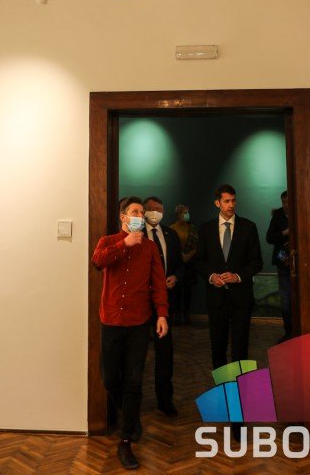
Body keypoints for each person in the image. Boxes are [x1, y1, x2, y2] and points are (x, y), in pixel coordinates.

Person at [92, 196, 168, 470]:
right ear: (123, 217)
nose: (140, 215)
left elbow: (158, 283)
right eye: (135, 212)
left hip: (139, 322)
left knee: (134, 381)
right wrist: (124, 244)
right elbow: (97, 261)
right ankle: (131, 417)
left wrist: (162, 314)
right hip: (111, 320)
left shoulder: (150, 247)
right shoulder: (108, 241)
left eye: (141, 212)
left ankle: (125, 440)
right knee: (110, 378)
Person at [196, 183, 263, 370]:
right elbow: (199, 261)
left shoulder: (248, 227)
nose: (231, 205)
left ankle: (241, 383)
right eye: (226, 201)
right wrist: (211, 276)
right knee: (217, 345)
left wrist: (237, 276)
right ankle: (222, 384)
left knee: (241, 346)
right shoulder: (206, 229)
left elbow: (256, 262)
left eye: (233, 200)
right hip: (216, 297)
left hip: (241, 297)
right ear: (217, 203)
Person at [143, 196, 183, 416]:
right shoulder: (136, 234)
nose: (155, 212)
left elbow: (181, 265)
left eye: (158, 209)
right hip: (140, 302)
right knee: (138, 352)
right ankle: (133, 399)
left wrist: (175, 276)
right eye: (150, 208)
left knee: (165, 352)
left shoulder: (171, 234)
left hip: (165, 302)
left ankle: (165, 399)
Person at [266, 190, 292, 342]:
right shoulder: (277, 215)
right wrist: (284, 233)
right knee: (285, 299)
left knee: (299, 298)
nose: (286, 205)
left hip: (300, 263)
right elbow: (269, 238)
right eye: (284, 202)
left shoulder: (300, 212)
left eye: (288, 201)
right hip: (283, 263)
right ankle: (288, 332)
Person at [170, 204, 198, 325]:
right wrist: (180, 256)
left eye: (188, 212)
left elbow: (196, 245)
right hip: (177, 263)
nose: (187, 215)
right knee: (176, 291)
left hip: (189, 264)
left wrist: (189, 255)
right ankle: (176, 315)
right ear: (178, 214)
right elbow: (171, 245)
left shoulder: (192, 228)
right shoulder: (172, 228)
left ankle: (187, 315)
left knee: (188, 291)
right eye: (184, 213)